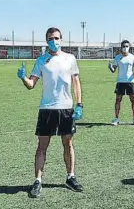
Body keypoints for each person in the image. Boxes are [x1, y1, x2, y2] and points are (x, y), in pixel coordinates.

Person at [17, 27, 84, 198]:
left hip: (66, 109)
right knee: (42, 146)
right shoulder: (41, 61)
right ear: (46, 41)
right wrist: (23, 77)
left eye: (56, 38)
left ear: (61, 39)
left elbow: (76, 83)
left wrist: (79, 104)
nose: (53, 41)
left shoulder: (70, 58)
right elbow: (31, 85)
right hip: (47, 109)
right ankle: (38, 181)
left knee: (68, 144)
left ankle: (71, 177)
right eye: (50, 39)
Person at [108, 40, 134, 126]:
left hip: (130, 82)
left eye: (127, 46)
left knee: (133, 101)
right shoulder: (117, 58)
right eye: (123, 46)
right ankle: (116, 119)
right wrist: (110, 67)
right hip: (120, 82)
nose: (125, 48)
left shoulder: (133, 57)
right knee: (118, 100)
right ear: (121, 47)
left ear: (129, 47)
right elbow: (114, 70)